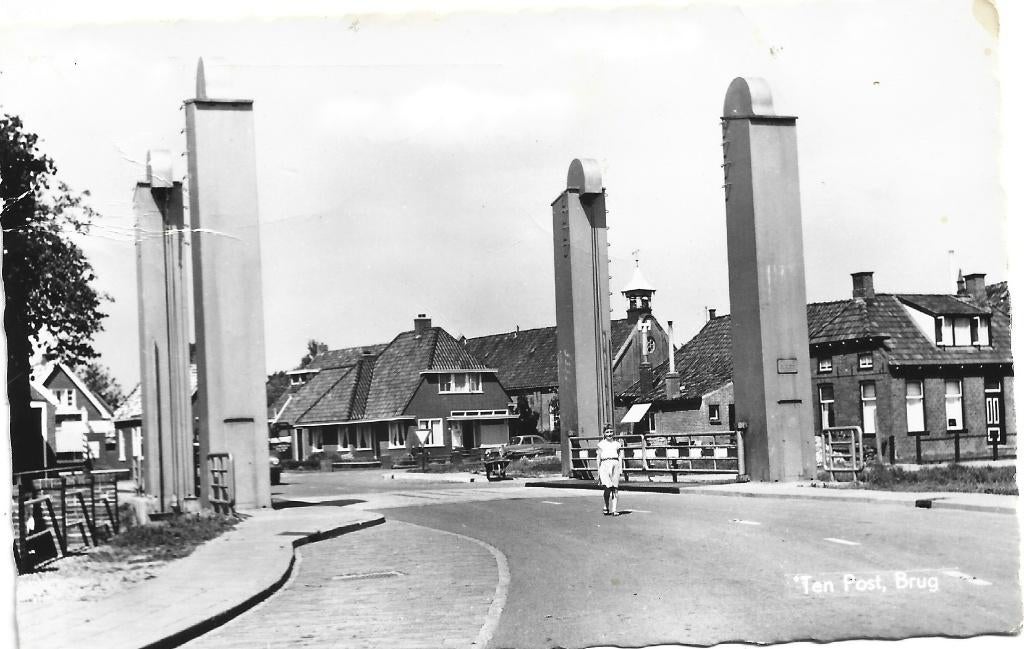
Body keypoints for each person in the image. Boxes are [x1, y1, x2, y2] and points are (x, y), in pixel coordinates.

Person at [597, 425, 623, 516]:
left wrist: (621, 468)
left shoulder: (617, 444)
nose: (609, 434)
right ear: (604, 433)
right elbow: (598, 458)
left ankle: (614, 509)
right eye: (607, 432)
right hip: (605, 465)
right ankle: (606, 505)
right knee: (607, 488)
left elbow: (620, 457)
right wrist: (598, 471)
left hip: (615, 464)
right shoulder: (601, 444)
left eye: (611, 432)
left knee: (615, 488)